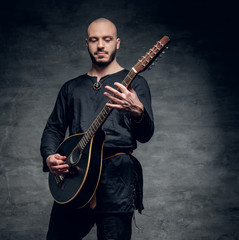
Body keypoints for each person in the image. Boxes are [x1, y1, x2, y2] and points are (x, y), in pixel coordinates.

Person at [40, 17, 154, 240]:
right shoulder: (71, 87)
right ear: (87, 43)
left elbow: (145, 135)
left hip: (116, 180)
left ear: (117, 43)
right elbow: (53, 128)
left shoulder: (134, 84)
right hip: (75, 176)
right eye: (94, 40)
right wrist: (49, 157)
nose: (100, 45)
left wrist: (138, 112)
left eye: (107, 39)